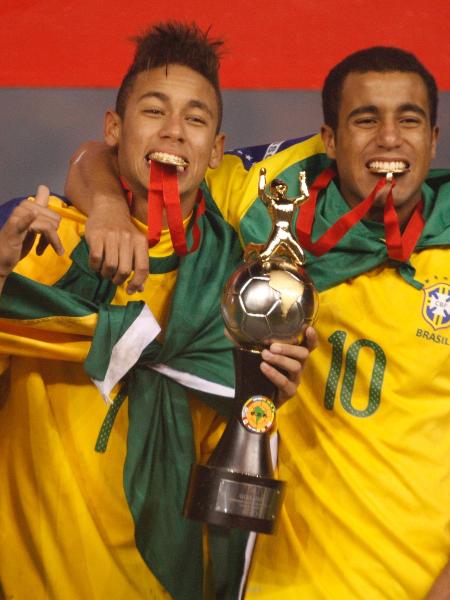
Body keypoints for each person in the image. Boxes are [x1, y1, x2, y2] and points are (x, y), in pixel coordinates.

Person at [66, 46, 450, 598]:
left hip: (412, 583)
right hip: (268, 581)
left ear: (434, 141)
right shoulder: (266, 196)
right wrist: (104, 208)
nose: (388, 138)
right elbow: (106, 156)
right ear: (330, 139)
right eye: (366, 118)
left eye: (408, 120)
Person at [0, 23, 314, 600]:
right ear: (114, 129)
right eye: (154, 111)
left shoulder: (238, 288)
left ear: (216, 150)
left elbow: (230, 452)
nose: (174, 131)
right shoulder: (47, 241)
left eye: (196, 119)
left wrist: (261, 396)